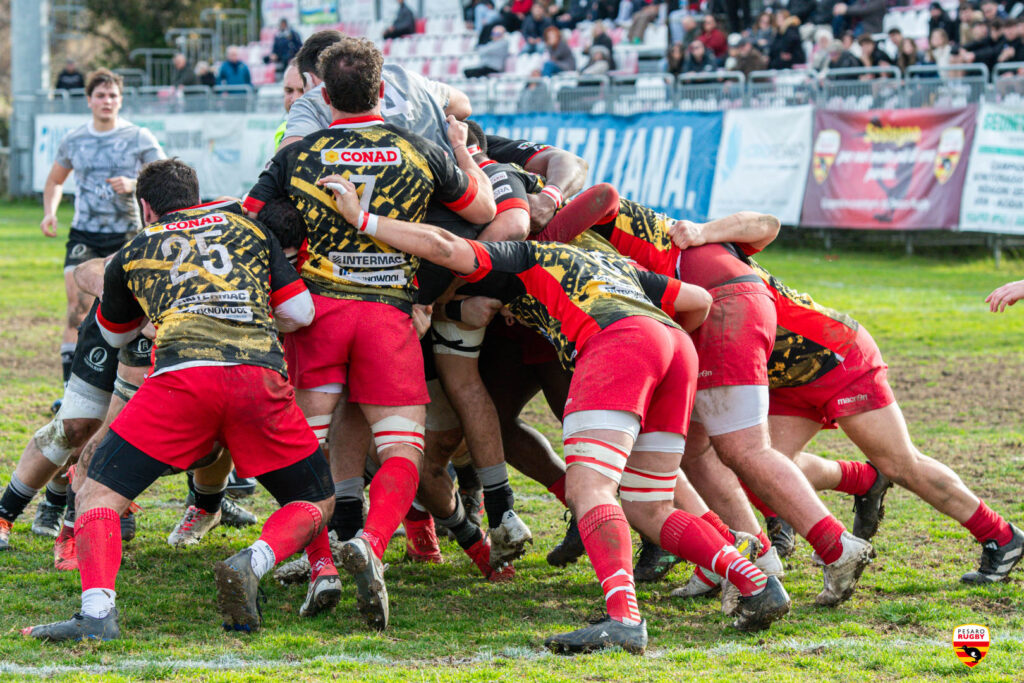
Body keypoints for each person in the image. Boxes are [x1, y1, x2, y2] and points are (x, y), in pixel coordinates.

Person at [320, 174, 792, 655]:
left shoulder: (529, 255)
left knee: (591, 488)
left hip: (618, 343)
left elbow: (446, 246)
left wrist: (365, 219)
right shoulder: (607, 262)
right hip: (672, 344)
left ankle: (623, 617)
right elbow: (700, 301)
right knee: (650, 504)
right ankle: (754, 581)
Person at [21, 158, 333, 642]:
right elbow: (299, 311)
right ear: (197, 194)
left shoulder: (135, 247)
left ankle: (98, 612)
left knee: (97, 494)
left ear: (146, 208)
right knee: (316, 499)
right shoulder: (246, 228)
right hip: (257, 377)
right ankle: (255, 559)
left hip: (181, 380)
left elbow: (113, 330)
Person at [243, 37, 496, 631]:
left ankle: (321, 561)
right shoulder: (422, 148)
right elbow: (483, 210)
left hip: (321, 312)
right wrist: (465, 153)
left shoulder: (298, 154)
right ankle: (374, 544)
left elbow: (252, 223)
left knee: (308, 445)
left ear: (323, 94)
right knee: (403, 448)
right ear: (384, 91)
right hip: (391, 315)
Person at [540, 189, 877, 609]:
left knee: (745, 450)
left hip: (722, 307)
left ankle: (836, 545)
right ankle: (752, 554)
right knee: (694, 450)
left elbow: (605, 197)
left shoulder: (586, 218)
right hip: (716, 310)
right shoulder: (662, 236)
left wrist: (544, 236)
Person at [39, 69, 165, 404]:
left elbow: (165, 177)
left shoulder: (138, 136)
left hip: (128, 235)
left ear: (120, 100)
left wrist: (135, 182)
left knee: (135, 311)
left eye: (113, 96)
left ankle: (127, 389)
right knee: (78, 306)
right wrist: (50, 211)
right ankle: (70, 392)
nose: (107, 101)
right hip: (85, 235)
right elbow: (55, 181)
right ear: (89, 99)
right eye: (100, 95)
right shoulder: (74, 139)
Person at [273, 61, 305, 147]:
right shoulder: (282, 130)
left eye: (302, 91)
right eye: (289, 90)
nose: (295, 98)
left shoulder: (329, 131)